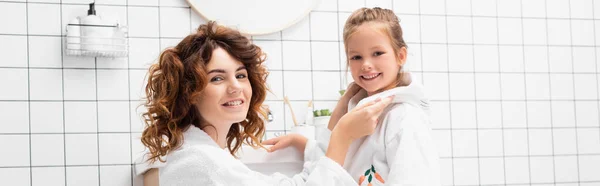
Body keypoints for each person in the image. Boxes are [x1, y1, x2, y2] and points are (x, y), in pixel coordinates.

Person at [136, 21, 394, 185]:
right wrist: (342, 136)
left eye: (240, 75)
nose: (236, 86)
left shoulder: (202, 154)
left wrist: (328, 129)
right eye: (217, 78)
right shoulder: (204, 165)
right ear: (190, 92)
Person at [265, 7, 440, 185]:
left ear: (400, 56)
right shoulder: (356, 110)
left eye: (377, 53)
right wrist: (301, 142)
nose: (366, 64)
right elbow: (335, 161)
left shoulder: (404, 117)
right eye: (356, 57)